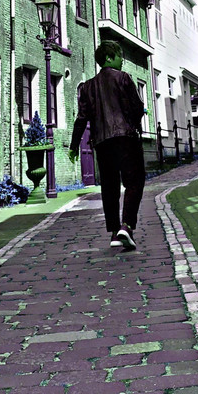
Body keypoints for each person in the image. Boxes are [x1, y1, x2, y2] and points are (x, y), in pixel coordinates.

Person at [69, 40, 146, 250]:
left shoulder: (87, 87)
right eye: (119, 56)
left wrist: (74, 146)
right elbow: (137, 107)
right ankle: (127, 226)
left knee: (109, 187)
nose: (122, 60)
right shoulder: (123, 78)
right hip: (125, 138)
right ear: (109, 58)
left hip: (102, 143)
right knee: (134, 182)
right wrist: (134, 124)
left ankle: (114, 232)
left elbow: (81, 119)